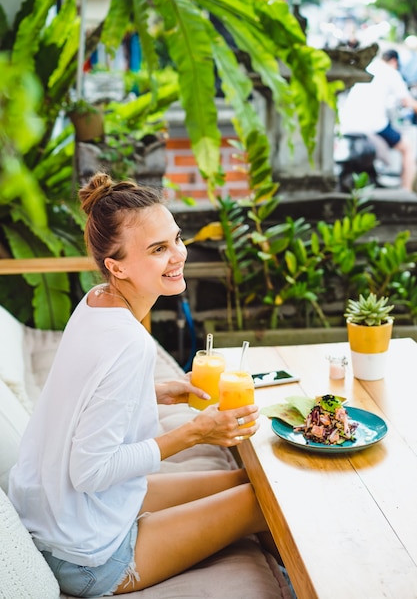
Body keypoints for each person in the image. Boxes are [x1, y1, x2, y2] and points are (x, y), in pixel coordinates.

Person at [8, 173, 270, 597]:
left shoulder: (95, 301)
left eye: (176, 239)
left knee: (250, 481)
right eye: (158, 249)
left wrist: (150, 392)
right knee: (267, 502)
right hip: (86, 553)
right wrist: (194, 433)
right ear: (116, 266)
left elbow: (83, 402)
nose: (177, 255)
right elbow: (91, 470)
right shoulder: (129, 341)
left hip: (60, 513)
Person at [339, 48, 417, 191]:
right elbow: (407, 101)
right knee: (407, 148)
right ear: (394, 61)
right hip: (372, 126)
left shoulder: (368, 67)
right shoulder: (391, 73)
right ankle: (406, 191)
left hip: (348, 124)